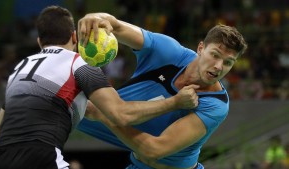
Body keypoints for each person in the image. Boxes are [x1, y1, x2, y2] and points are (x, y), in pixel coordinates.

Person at [0, 6, 199, 169]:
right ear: (74, 37)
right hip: (42, 157)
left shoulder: (20, 69)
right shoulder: (78, 64)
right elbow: (122, 115)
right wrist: (175, 102)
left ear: (39, 42)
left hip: (0, 159)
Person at [77, 13, 248, 169]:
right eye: (215, 55)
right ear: (201, 48)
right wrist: (96, 18)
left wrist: (105, 115)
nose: (219, 66)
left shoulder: (215, 104)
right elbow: (116, 25)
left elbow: (155, 149)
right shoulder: (169, 52)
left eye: (228, 62)